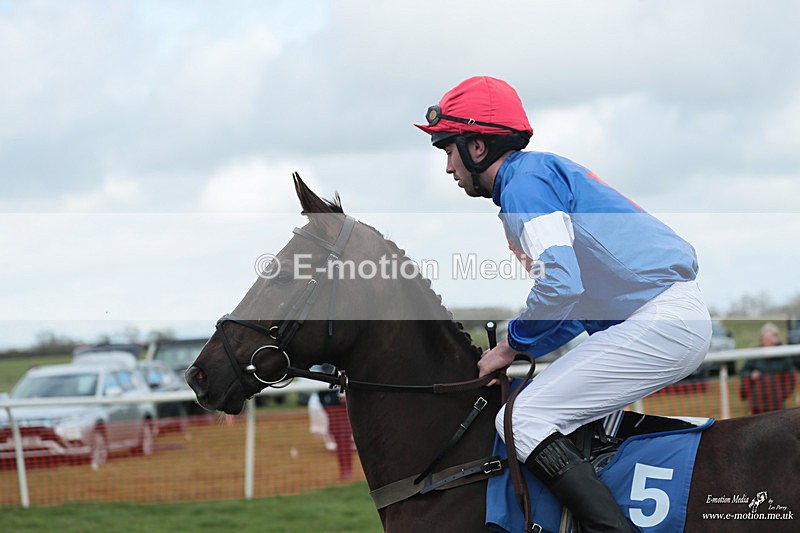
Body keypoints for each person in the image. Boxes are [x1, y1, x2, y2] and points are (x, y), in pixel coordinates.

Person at [415, 76, 712, 533]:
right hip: (657, 318)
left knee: (524, 418)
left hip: (659, 322)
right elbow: (573, 305)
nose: (448, 166)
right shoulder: (533, 178)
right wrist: (524, 348)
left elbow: (560, 286)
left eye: (447, 149)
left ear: (477, 147)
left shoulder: (525, 185)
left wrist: (510, 346)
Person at [740, 322, 796, 414]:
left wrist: (782, 394)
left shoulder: (784, 355)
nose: (766, 341)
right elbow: (743, 372)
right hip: (757, 402)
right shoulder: (755, 353)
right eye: (764, 338)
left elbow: (791, 379)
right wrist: (751, 375)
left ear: (776, 338)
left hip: (776, 403)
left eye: (769, 338)